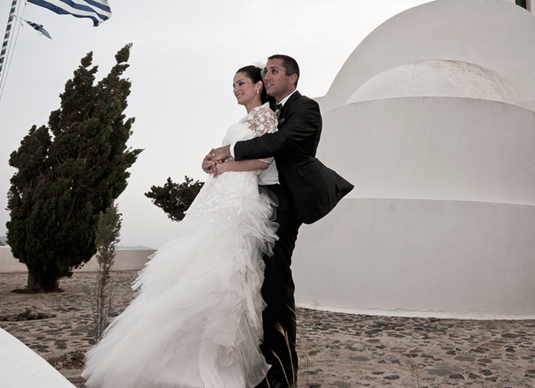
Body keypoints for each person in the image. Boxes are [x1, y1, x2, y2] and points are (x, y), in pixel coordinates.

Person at [82, 65, 280, 388]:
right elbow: (230, 156)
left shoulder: (264, 117)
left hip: (239, 197)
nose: (235, 89)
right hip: (218, 194)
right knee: (194, 265)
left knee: (223, 271)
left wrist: (227, 164)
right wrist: (210, 163)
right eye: (232, 85)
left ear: (259, 85)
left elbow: (264, 160)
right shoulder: (240, 122)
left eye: (241, 83)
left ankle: (215, 365)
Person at [204, 55, 353, 388]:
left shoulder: (305, 109)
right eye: (266, 72)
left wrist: (228, 150)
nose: (267, 76)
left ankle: (282, 373)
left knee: (274, 283)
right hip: (258, 200)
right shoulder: (268, 110)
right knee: (249, 282)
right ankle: (251, 364)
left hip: (283, 202)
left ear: (293, 77)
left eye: (273, 71)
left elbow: (278, 143)